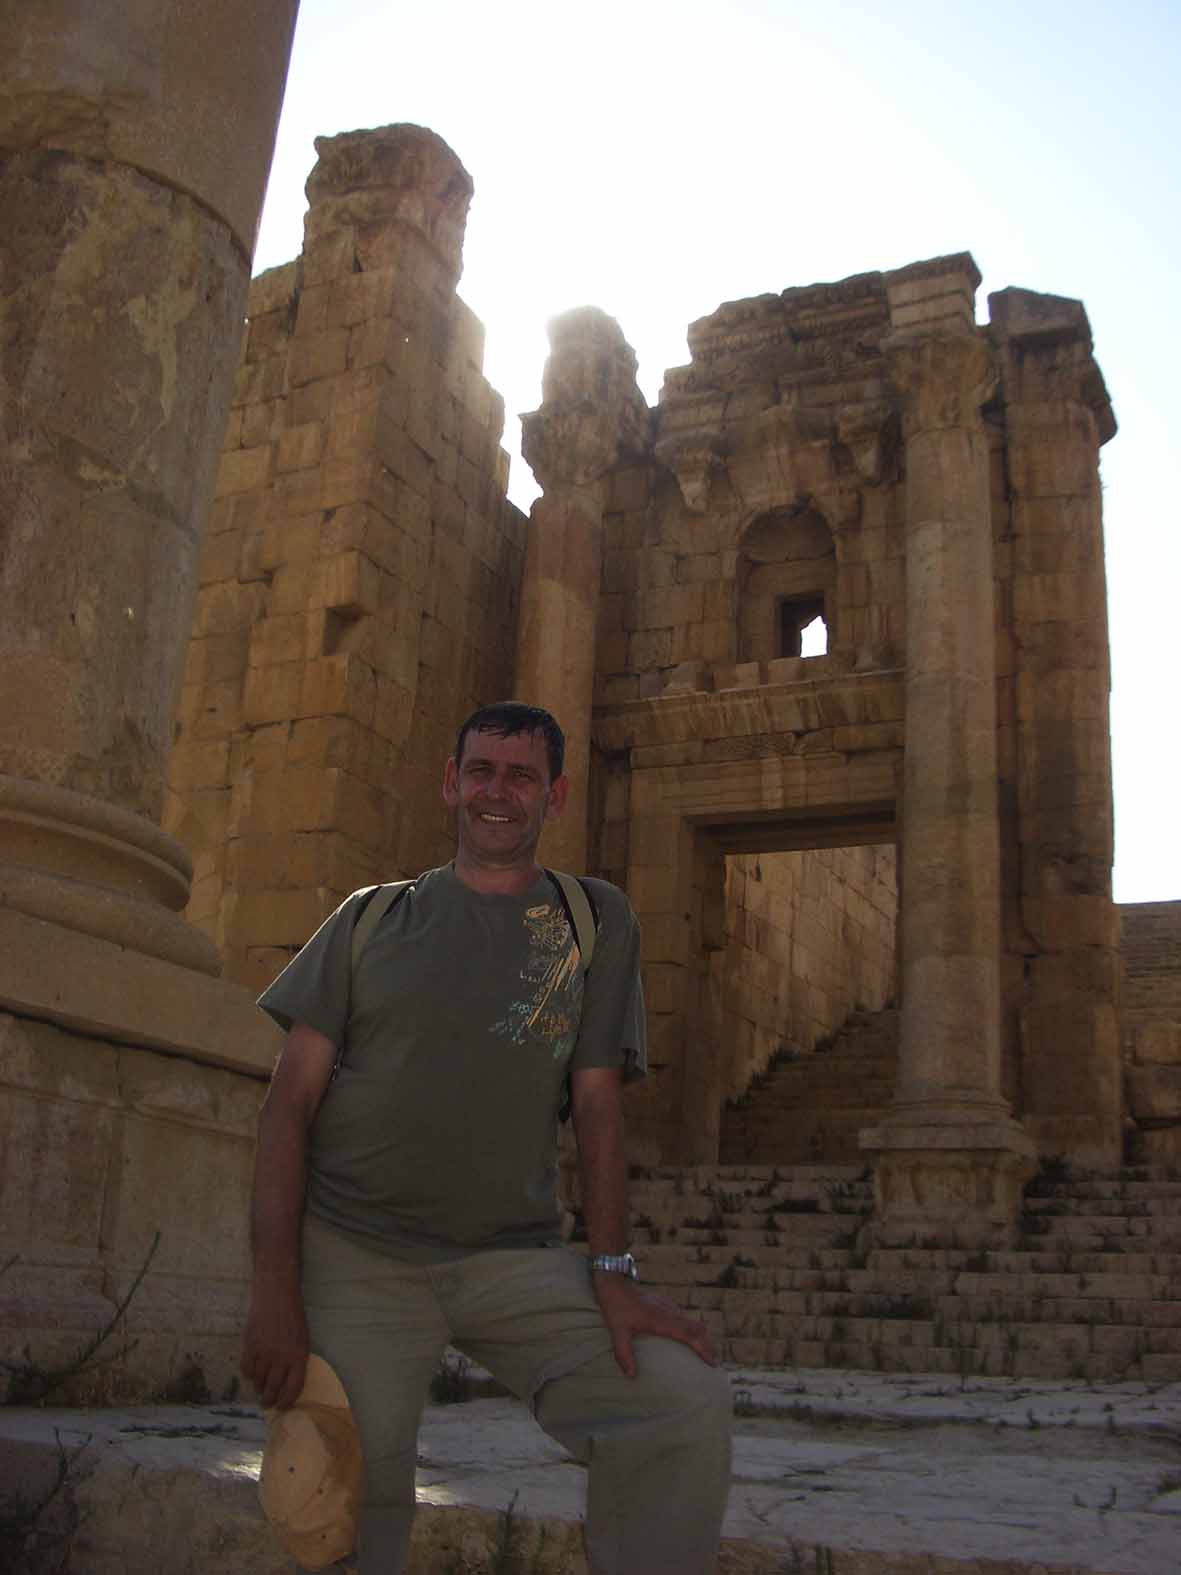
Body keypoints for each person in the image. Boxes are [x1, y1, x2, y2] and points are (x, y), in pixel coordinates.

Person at [241, 701, 732, 1574]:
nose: (496, 793)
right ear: (450, 782)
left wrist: (613, 1272)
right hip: (358, 1256)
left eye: (520, 776)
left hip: (514, 1258)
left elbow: (597, 1105)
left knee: (677, 1404)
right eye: (480, 771)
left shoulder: (593, 922)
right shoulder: (368, 920)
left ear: (555, 796)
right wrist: (275, 1285)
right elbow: (287, 1105)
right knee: (343, 1502)